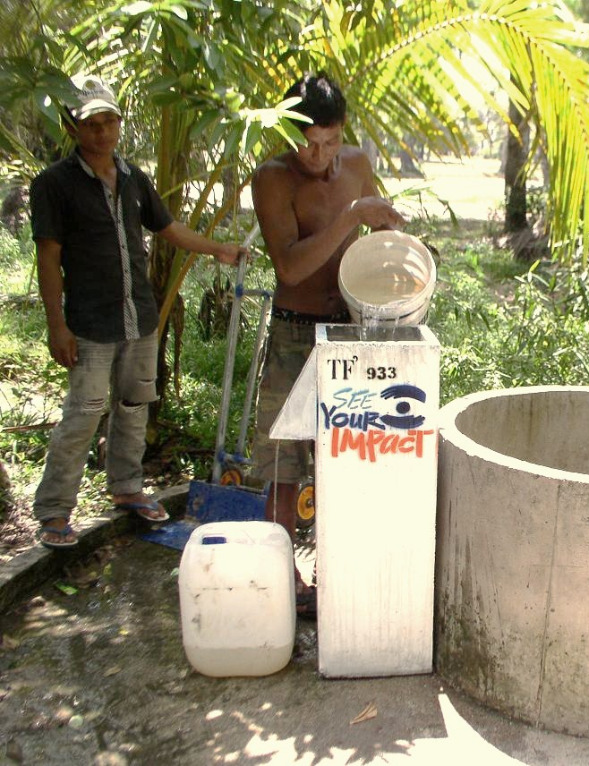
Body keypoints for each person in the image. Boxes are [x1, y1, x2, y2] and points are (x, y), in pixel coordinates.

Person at [30, 74, 246, 549]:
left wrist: (219, 249)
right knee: (83, 415)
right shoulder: (54, 184)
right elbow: (48, 258)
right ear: (74, 128)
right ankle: (54, 511)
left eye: (109, 121)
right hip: (89, 324)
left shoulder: (132, 179)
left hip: (139, 319)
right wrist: (56, 325)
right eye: (92, 124)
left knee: (132, 409)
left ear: (119, 124)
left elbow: (169, 230)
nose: (102, 132)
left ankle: (127, 488)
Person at [250, 73, 404, 615]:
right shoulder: (272, 179)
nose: (319, 155)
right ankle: (281, 578)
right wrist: (351, 217)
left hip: (350, 331)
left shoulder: (358, 165)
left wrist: (398, 243)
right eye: (308, 142)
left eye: (331, 142)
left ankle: (341, 573)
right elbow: (290, 267)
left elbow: (378, 234)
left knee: (344, 460)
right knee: (282, 466)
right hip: (296, 329)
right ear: (289, 132)